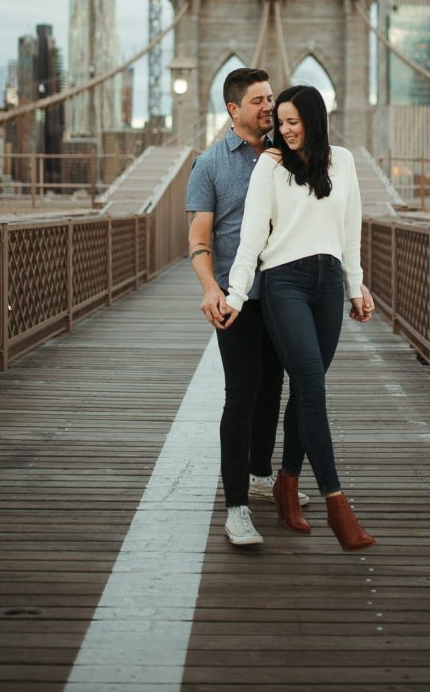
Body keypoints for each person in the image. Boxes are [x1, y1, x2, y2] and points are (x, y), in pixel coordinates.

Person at [224, 84, 376, 552]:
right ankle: (337, 503)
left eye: (293, 121)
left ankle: (287, 483)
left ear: (314, 118)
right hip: (283, 283)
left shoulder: (344, 161)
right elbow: (252, 235)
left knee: (305, 394)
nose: (284, 130)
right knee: (312, 386)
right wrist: (234, 293)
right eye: (279, 122)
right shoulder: (269, 167)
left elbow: (350, 230)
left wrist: (356, 284)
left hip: (328, 283)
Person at [186, 67, 301, 547]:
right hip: (237, 298)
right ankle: (236, 508)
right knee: (241, 396)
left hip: (285, 293)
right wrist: (210, 287)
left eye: (271, 97)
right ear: (234, 110)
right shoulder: (209, 165)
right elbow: (198, 237)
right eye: (258, 100)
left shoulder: (292, 153)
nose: (269, 106)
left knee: (272, 389)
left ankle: (260, 473)